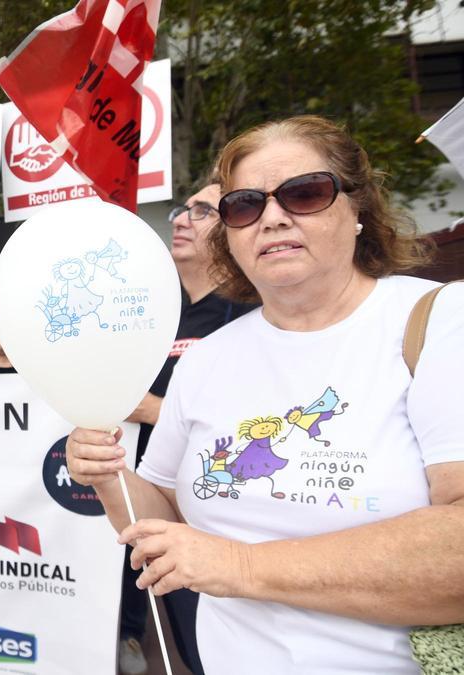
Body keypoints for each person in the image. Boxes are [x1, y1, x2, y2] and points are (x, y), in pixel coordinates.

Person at [65, 115, 464, 675]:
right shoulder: (206, 358)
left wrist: (240, 566)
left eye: (305, 194)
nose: (273, 217)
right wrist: (109, 476)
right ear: (229, 232)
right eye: (246, 205)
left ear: (357, 211)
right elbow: (166, 513)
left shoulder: (442, 320)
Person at [116, 183, 256, 675]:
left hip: (223, 523)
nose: (179, 220)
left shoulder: (250, 311)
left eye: (201, 211)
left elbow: (256, 421)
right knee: (194, 650)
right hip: (161, 502)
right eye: (181, 209)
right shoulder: (160, 315)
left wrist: (155, 411)